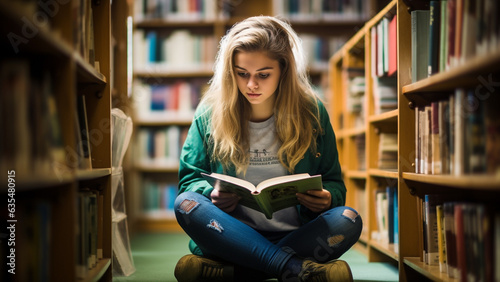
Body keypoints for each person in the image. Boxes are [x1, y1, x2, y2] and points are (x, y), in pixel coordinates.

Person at [174, 16, 362, 282]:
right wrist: (211, 193)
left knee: (348, 219)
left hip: (296, 235)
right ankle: (295, 269)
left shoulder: (312, 112)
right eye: (242, 74)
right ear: (231, 72)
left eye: (263, 75)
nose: (252, 85)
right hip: (229, 232)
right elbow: (189, 182)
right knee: (186, 204)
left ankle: (239, 270)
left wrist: (328, 198)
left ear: (283, 70)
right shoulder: (209, 112)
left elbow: (334, 182)